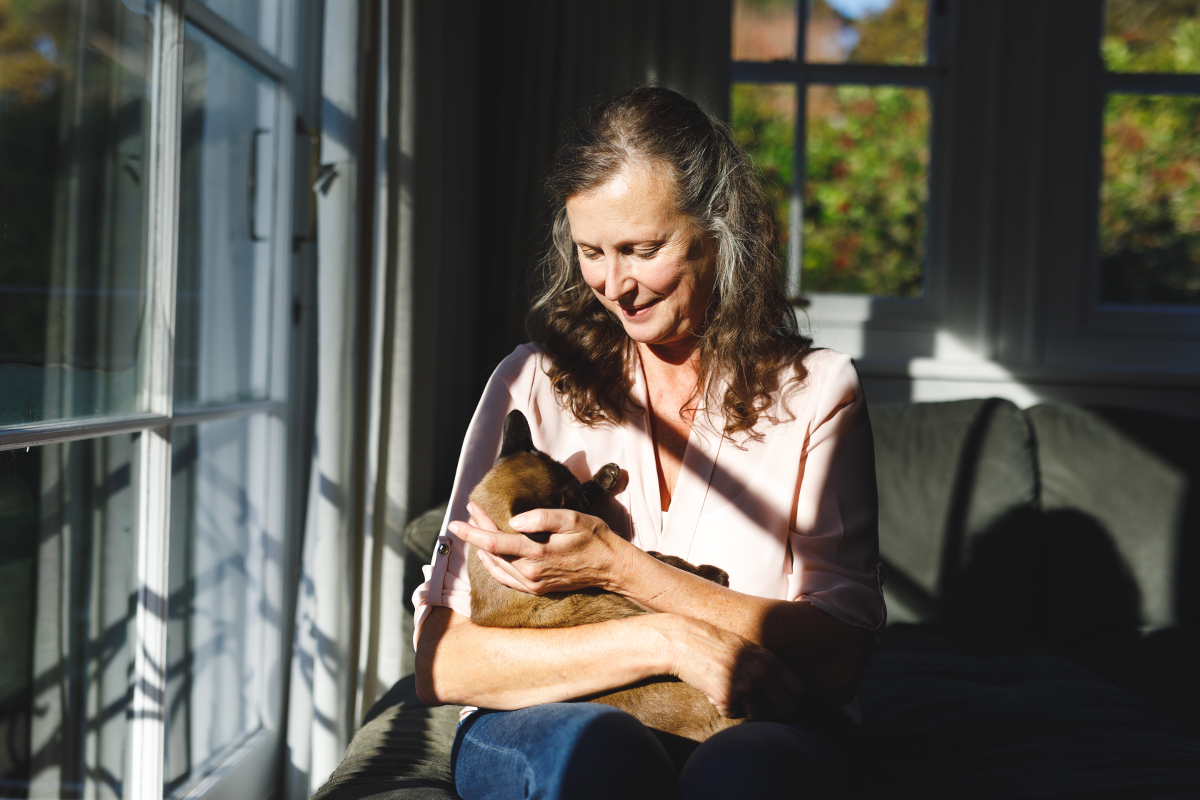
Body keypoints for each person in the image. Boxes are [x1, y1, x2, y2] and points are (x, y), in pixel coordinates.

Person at [413, 86, 885, 800]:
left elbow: (838, 656)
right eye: (591, 252)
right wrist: (660, 640)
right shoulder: (530, 383)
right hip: (553, 722)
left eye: (643, 249)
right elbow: (443, 663)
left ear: (718, 229)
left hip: (749, 732)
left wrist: (624, 570)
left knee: (744, 772)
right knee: (595, 755)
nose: (615, 284)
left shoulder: (818, 393)